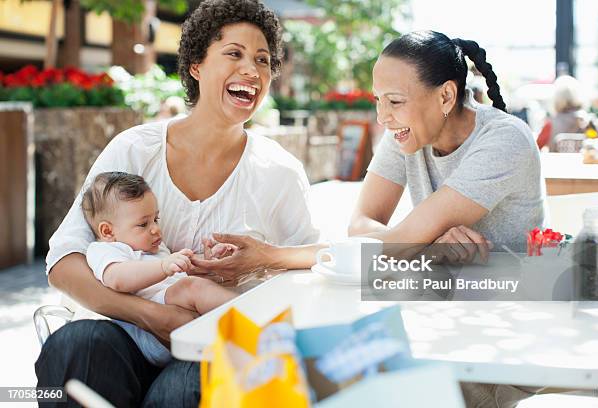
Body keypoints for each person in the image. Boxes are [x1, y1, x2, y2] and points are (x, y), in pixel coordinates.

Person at [196, 30, 547, 407]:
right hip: (434, 313)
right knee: (321, 369)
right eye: (379, 101)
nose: (383, 117)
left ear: (445, 96)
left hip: (498, 331)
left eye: (394, 101)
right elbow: (361, 226)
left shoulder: (503, 141)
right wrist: (423, 244)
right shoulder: (408, 134)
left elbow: (399, 244)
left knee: (352, 384)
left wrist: (271, 255)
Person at [35, 1, 319, 406]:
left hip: (210, 344)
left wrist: (265, 257)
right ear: (196, 66)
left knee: (183, 386)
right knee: (75, 344)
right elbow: (64, 263)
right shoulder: (135, 149)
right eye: (234, 54)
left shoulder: (279, 171)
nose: (252, 71)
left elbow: (313, 260)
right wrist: (152, 315)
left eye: (263, 60)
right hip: (124, 337)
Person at [82, 172, 236, 367]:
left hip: (177, 312)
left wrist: (207, 260)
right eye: (143, 224)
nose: (155, 229)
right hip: (151, 332)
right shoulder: (105, 250)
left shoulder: (155, 247)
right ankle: (254, 319)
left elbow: (180, 270)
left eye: (156, 219)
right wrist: (163, 267)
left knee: (196, 285)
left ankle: (239, 328)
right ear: (108, 231)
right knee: (192, 287)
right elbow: (117, 279)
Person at [536, 75, 592, 151]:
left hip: (558, 162)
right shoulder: (588, 121)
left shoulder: (550, 123)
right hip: (582, 161)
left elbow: (536, 147)